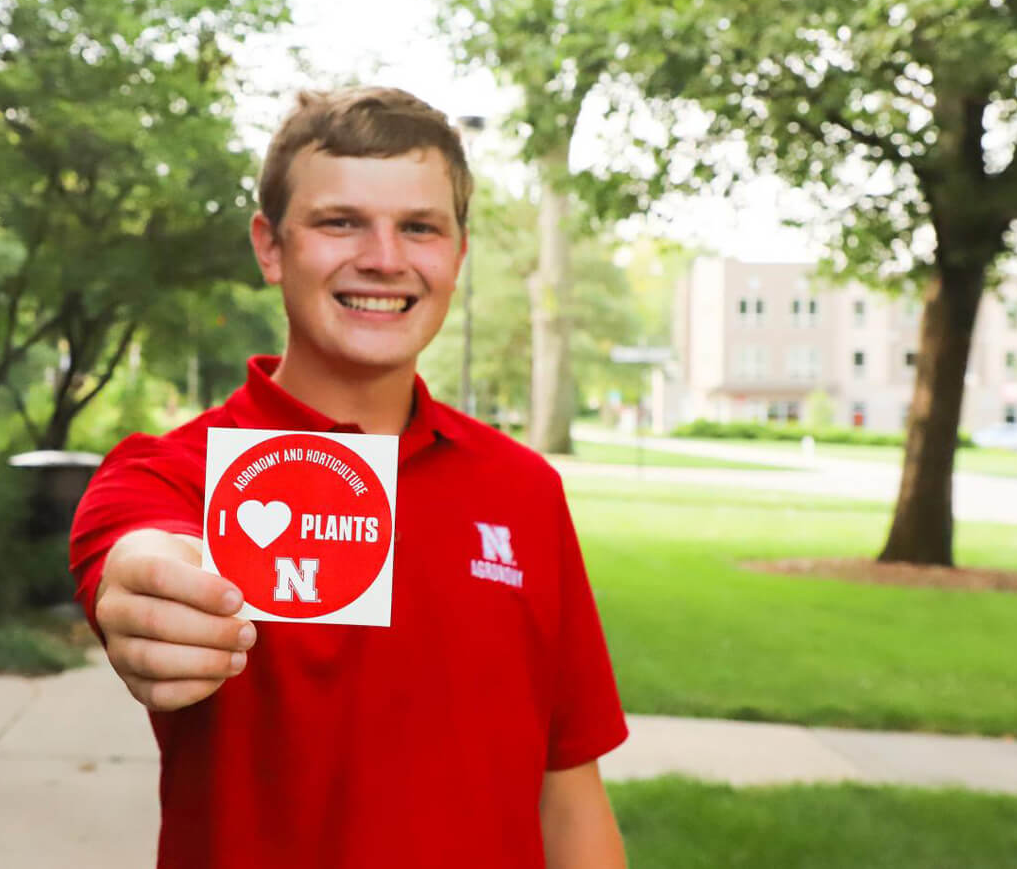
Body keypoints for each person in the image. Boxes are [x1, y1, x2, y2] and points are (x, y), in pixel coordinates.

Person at [69, 86, 628, 868]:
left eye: (420, 228)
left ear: (459, 254)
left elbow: (568, 791)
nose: (385, 258)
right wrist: (148, 593)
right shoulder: (172, 477)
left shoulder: (524, 490)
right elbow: (137, 559)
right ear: (271, 247)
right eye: (341, 222)